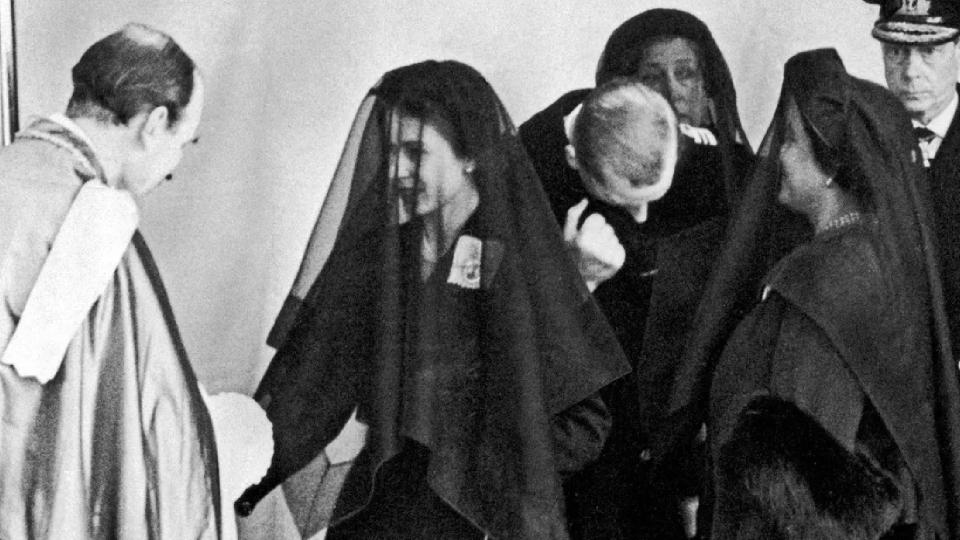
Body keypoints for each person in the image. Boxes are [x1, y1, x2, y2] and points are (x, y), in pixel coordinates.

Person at [234, 60, 630, 539]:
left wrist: (481, 469)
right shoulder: (379, 255)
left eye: (415, 152)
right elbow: (316, 387)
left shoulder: (524, 259)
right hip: (378, 506)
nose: (396, 170)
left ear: (471, 156)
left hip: (481, 521)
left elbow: (583, 427)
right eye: (391, 150)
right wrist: (242, 472)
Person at [665, 49, 960, 539]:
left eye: (792, 143)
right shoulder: (875, 259)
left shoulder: (824, 283)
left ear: (829, 165)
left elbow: (797, 489)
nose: (778, 154)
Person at [519, 9, 752, 539]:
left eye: (687, 74)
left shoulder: (734, 177)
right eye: (652, 77)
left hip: (687, 445)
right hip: (596, 445)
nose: (672, 91)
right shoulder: (557, 165)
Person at [0, 23, 222, 538]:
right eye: (184, 144)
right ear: (155, 123)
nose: (175, 164)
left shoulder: (10, 171)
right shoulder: (96, 220)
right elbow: (158, 429)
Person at [863, 0, 960, 363]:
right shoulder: (861, 142)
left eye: (929, 51)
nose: (910, 72)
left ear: (955, 48)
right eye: (897, 52)